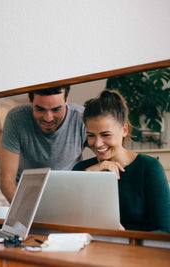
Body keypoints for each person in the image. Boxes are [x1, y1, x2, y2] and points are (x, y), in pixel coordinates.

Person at [73, 90, 170, 232]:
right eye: (91, 135)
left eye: (106, 135)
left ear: (124, 130)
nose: (98, 143)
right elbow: (67, 223)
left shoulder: (148, 168)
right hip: (92, 249)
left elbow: (166, 231)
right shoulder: (81, 169)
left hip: (136, 251)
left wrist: (124, 236)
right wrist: (87, 176)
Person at [0, 86, 86, 202]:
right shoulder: (16, 119)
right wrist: (23, 211)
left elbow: (109, 149)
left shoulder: (81, 118)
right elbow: (7, 180)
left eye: (56, 110)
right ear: (30, 100)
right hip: (25, 198)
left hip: (69, 198)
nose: (48, 118)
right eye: (40, 109)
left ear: (66, 99)